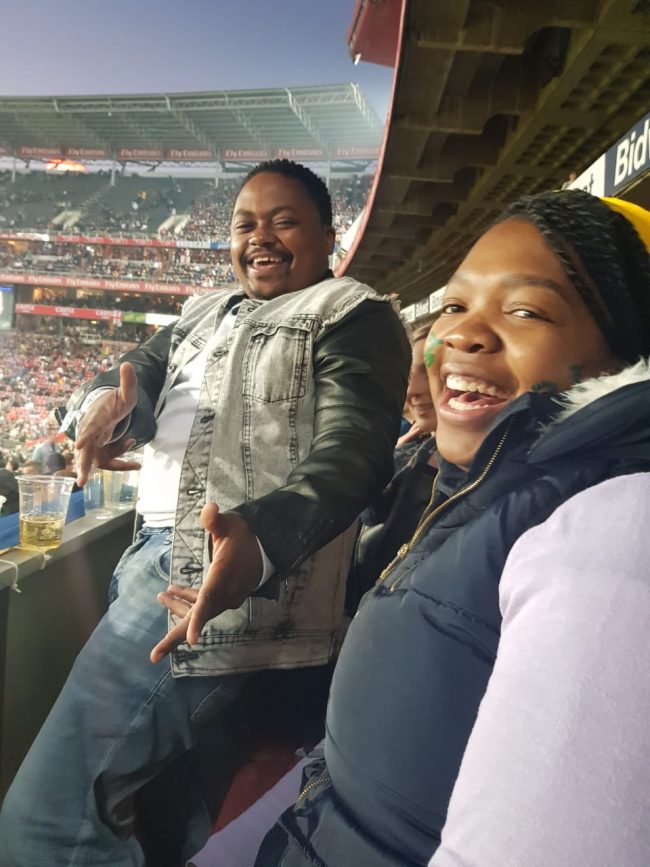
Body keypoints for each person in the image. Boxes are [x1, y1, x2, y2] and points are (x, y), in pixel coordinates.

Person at [0, 160, 410, 866]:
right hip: (148, 560)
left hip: (215, 568)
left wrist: (260, 541)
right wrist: (106, 406)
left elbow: (354, 454)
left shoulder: (353, 312)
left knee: (47, 818)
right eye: (246, 223)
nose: (261, 236)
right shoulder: (203, 309)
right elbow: (136, 375)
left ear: (327, 236)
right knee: (174, 815)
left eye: (284, 221)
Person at [253, 191, 650, 867]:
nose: (464, 335)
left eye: (526, 310)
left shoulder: (617, 531)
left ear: (625, 353)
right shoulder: (490, 489)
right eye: (456, 305)